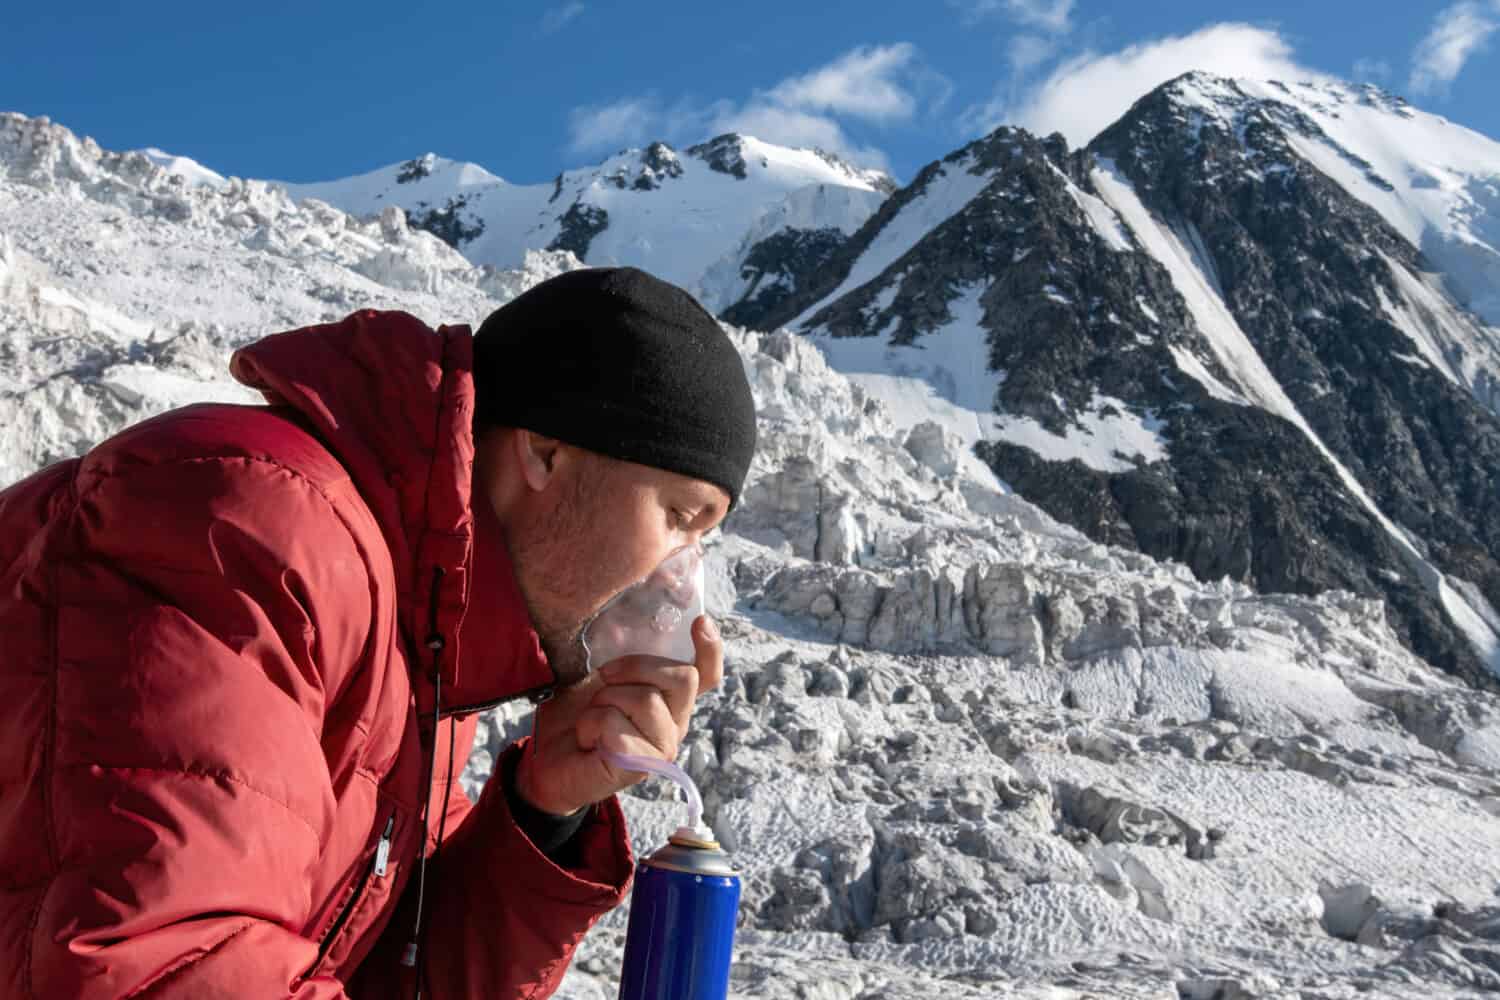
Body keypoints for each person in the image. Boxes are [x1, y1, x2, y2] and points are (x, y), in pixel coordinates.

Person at [0, 266, 758, 998]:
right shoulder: (250, 531)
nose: (677, 579)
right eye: (679, 518)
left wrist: (542, 813)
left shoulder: (423, 638)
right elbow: (155, 967)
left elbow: (392, 976)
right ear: (544, 453)